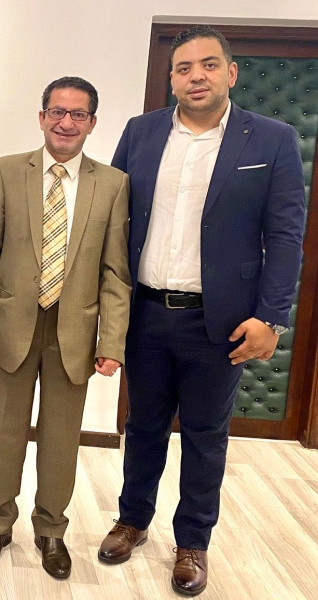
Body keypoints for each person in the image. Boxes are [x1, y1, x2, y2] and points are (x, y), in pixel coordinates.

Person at [100, 25, 305, 596]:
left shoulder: (272, 140)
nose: (197, 76)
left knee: (205, 433)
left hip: (221, 321)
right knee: (142, 425)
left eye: (209, 65)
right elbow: (111, 219)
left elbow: (286, 236)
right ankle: (133, 519)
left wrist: (272, 317)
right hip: (145, 311)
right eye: (184, 68)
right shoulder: (141, 132)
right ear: (171, 79)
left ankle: (193, 540)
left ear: (231, 72)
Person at [0, 77, 131, 578]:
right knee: (2, 432)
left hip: (74, 331)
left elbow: (115, 272)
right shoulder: (7, 170)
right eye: (57, 111)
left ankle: (51, 530)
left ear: (92, 123)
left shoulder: (113, 183)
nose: (66, 122)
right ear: (41, 117)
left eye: (78, 114)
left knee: (61, 438)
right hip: (10, 324)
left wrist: (112, 340)